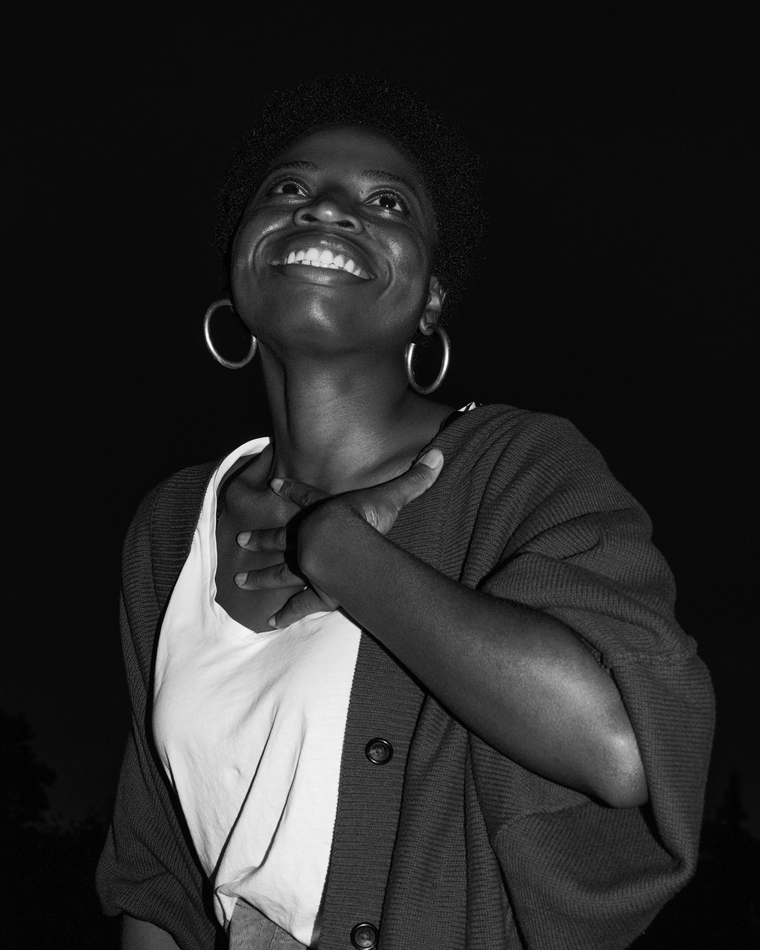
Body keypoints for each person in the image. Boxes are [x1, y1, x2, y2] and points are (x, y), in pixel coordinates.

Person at [97, 75, 714, 950]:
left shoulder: (514, 465)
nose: (331, 212)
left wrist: (349, 560)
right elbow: (155, 870)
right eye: (290, 189)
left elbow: (618, 746)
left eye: (388, 203)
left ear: (431, 298)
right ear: (238, 259)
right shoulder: (169, 529)